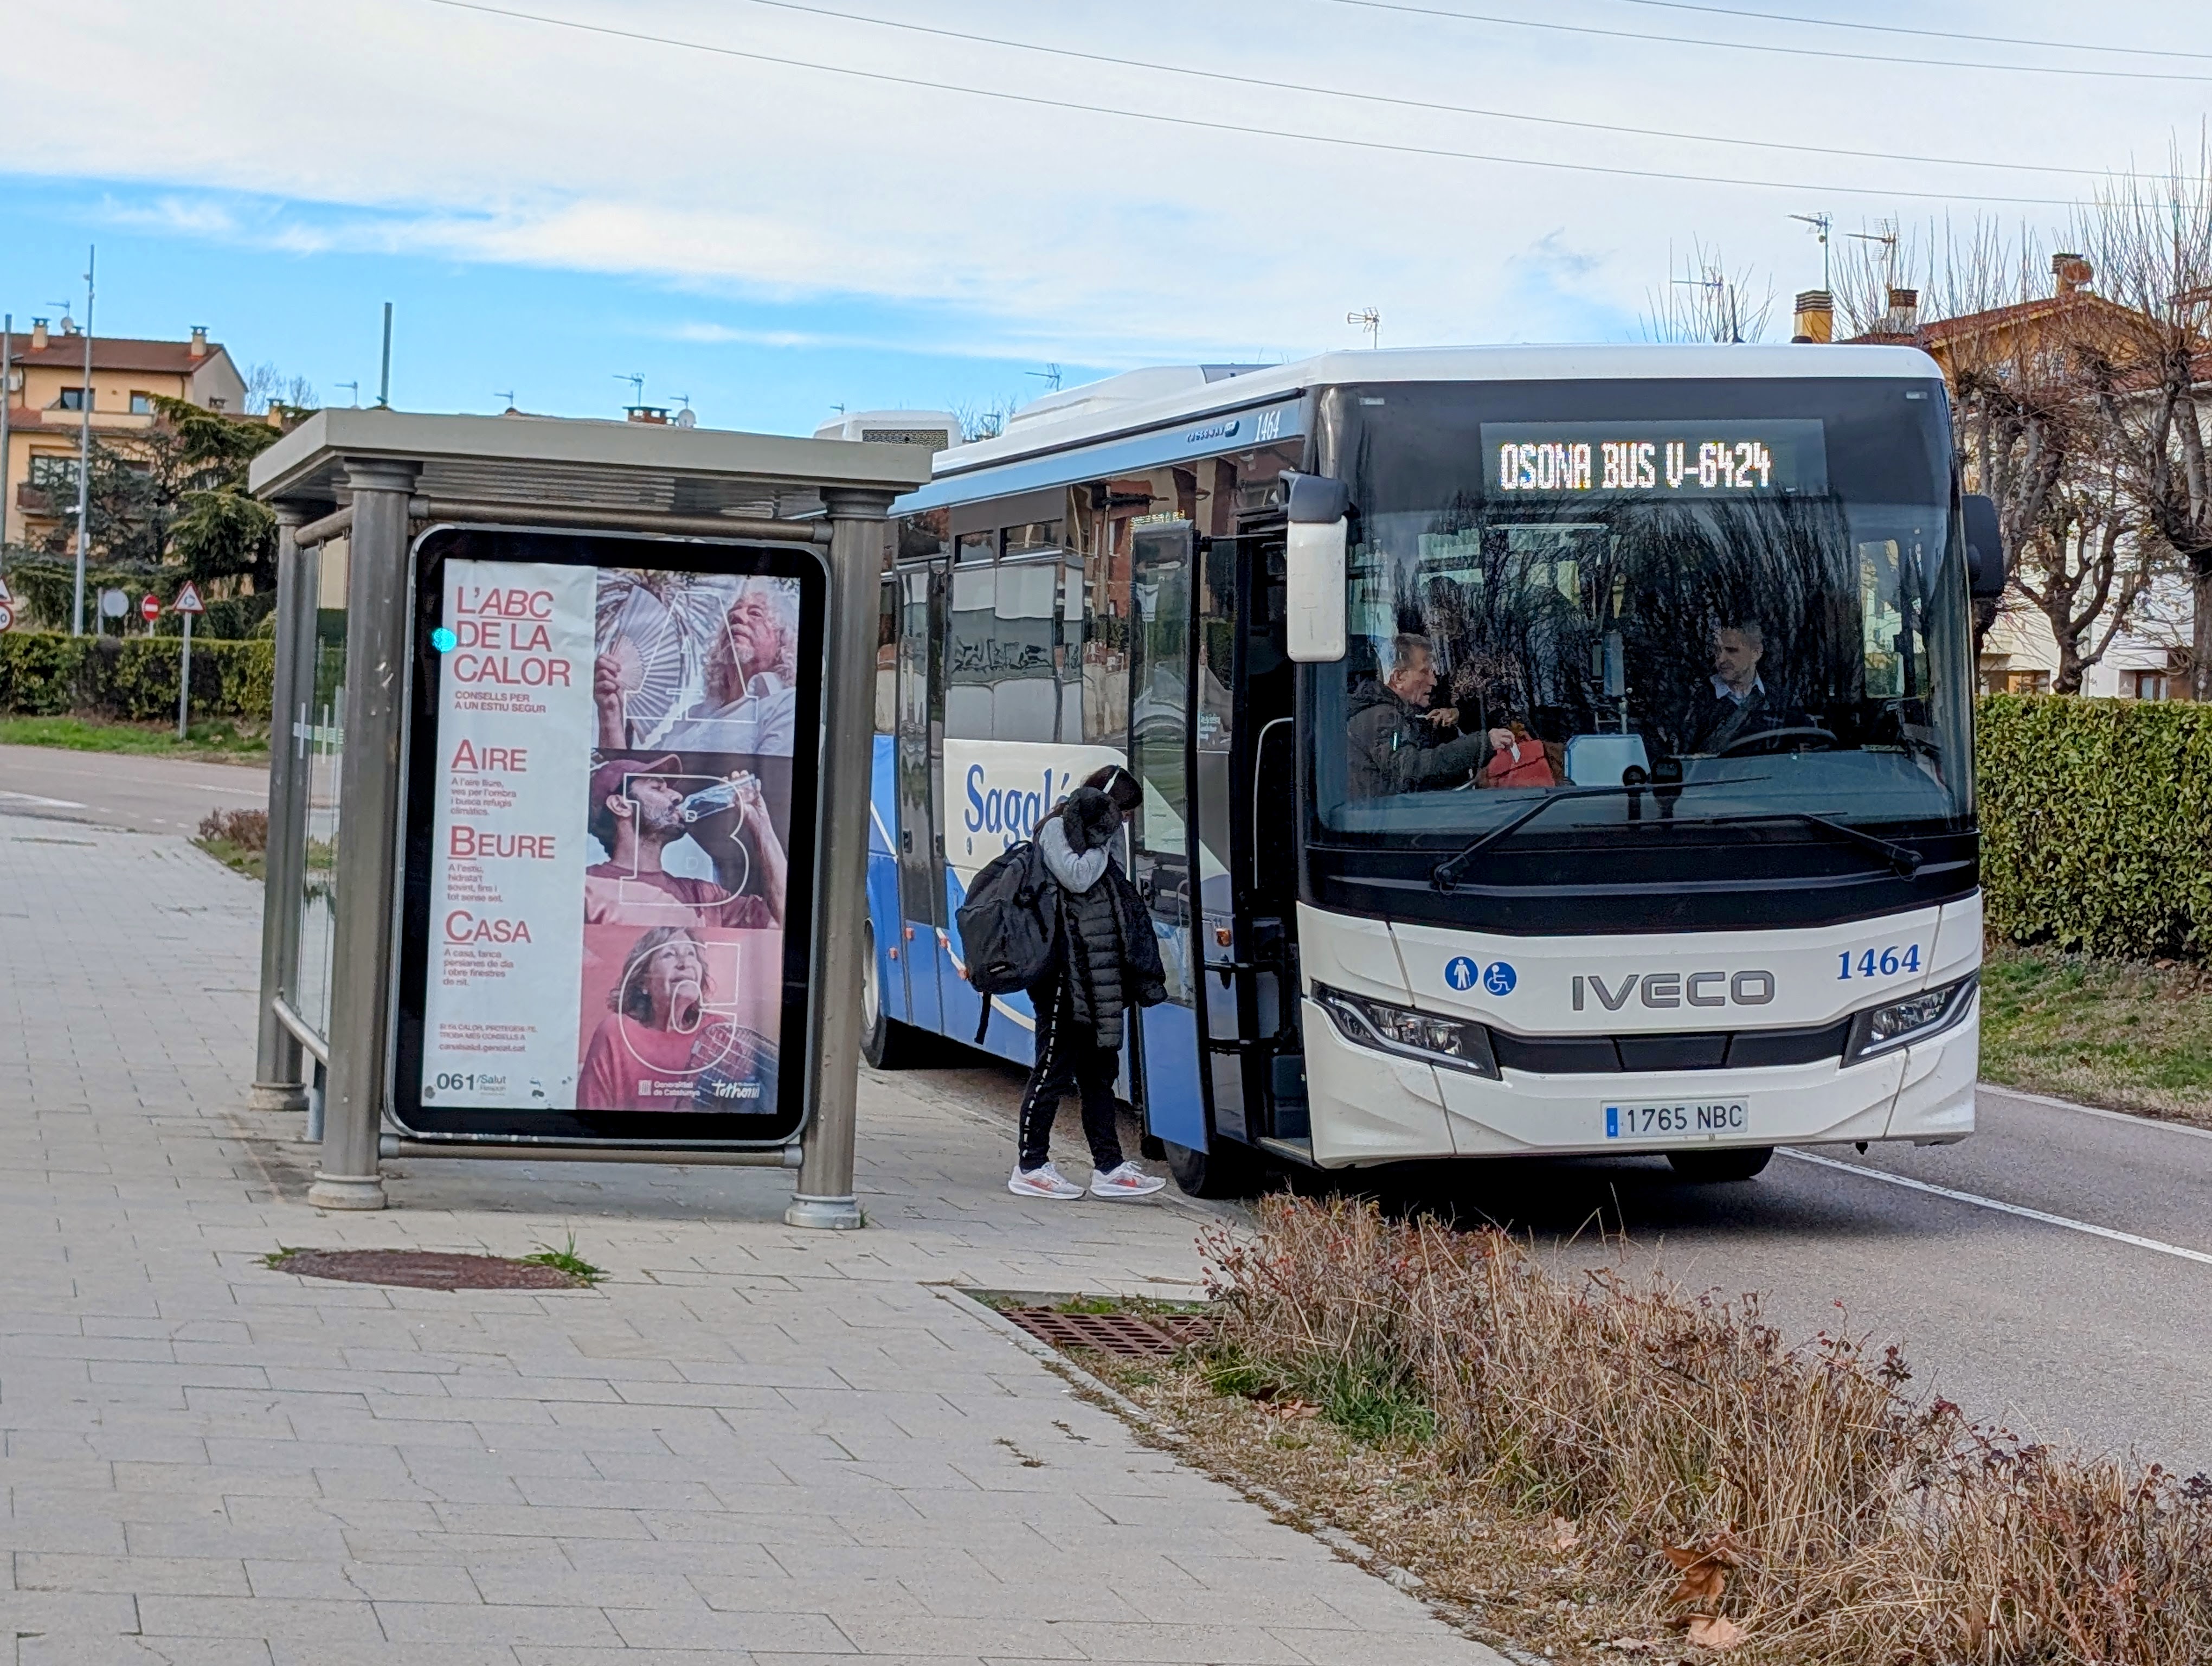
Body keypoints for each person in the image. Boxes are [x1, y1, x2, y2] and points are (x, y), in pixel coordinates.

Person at [1009, 785, 1170, 1201]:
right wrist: (1104, 844)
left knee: (1099, 1075)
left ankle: (1109, 1166)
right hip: (1064, 978)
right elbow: (1076, 879)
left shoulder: (1097, 844)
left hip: (1097, 981)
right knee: (1053, 1069)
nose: (1128, 824)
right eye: (1126, 813)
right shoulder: (1058, 833)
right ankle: (1030, 1165)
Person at [576, 925, 776, 1111]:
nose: (685, 963)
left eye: (691, 954)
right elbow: (591, 1120)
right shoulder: (615, 1032)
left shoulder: (719, 1033)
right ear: (643, 981)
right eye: (669, 954)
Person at [595, 580, 800, 756]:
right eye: (731, 616)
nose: (738, 616)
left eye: (755, 614)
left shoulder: (788, 705)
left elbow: (772, 793)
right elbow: (626, 786)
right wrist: (610, 713)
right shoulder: (691, 719)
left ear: (784, 642)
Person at [584, 755, 786, 928]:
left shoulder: (705, 897)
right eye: (657, 788)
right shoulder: (587, 887)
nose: (677, 796)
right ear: (620, 805)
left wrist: (761, 824)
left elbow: (785, 918)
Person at [1347, 633, 1514, 798]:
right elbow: (1410, 770)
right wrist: (1481, 744)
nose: (1433, 681)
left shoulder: (1389, 714)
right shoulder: (1383, 718)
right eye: (1425, 672)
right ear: (1398, 677)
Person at [1685, 622, 1793, 754]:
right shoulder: (1696, 700)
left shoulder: (1783, 701)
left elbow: (1808, 753)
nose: (1721, 659)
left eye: (1731, 650)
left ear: (1756, 653)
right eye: (1717, 650)